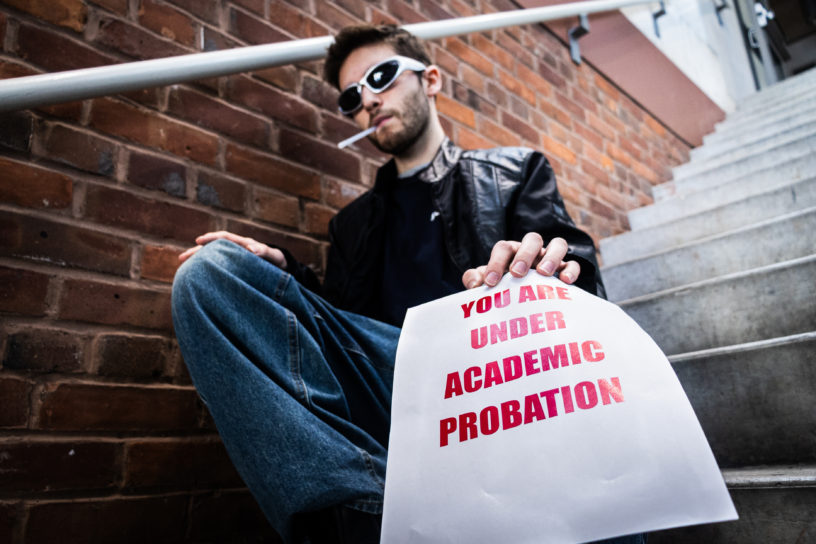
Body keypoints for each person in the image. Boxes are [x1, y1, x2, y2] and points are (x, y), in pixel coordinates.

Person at [172, 24, 637, 544]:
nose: (368, 100)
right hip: (395, 379)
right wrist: (286, 273)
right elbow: (337, 340)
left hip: (490, 373)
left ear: (431, 79)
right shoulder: (351, 225)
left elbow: (576, 267)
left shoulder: (514, 171)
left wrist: (553, 265)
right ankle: (369, 509)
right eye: (352, 97)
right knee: (210, 272)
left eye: (382, 77)